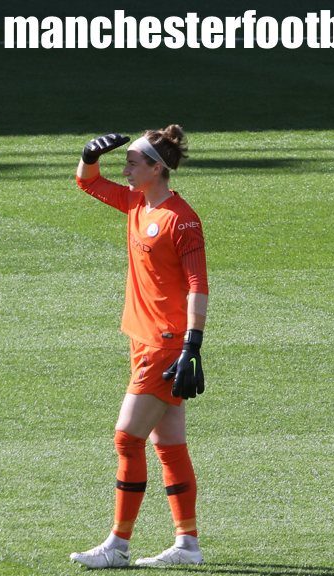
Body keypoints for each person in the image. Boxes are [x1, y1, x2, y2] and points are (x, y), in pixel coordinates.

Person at [69, 126, 209, 568]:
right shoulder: (136, 203)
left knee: (127, 438)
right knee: (168, 445)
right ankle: (187, 545)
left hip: (166, 344)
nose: (124, 169)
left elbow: (197, 285)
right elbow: (87, 182)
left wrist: (193, 344)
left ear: (156, 168)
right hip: (142, 339)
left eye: (132, 162)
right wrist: (89, 155)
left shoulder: (180, 219)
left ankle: (118, 545)